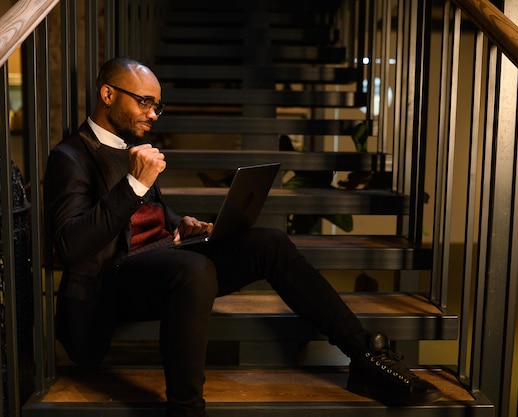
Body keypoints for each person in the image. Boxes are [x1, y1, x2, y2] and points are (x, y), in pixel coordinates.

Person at [44, 56, 441, 417]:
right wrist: (134, 183)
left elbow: (148, 217)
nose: (153, 114)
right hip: (114, 280)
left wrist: (179, 223)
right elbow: (72, 243)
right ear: (108, 94)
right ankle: (186, 408)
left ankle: (366, 358)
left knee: (270, 242)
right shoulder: (70, 157)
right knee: (195, 269)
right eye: (144, 102)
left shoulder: (134, 147)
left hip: (166, 256)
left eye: (157, 105)